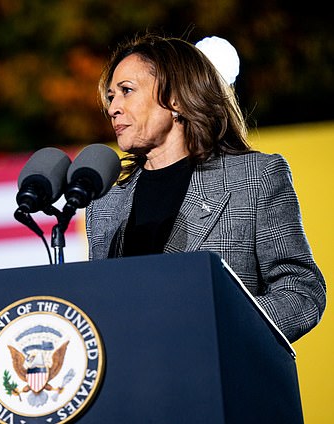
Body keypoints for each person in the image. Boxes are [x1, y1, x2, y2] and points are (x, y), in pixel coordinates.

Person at [85, 33, 326, 343]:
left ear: (175, 99)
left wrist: (218, 327)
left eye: (126, 92)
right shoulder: (105, 204)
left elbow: (300, 290)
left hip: (220, 378)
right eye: (110, 97)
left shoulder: (255, 177)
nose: (113, 108)